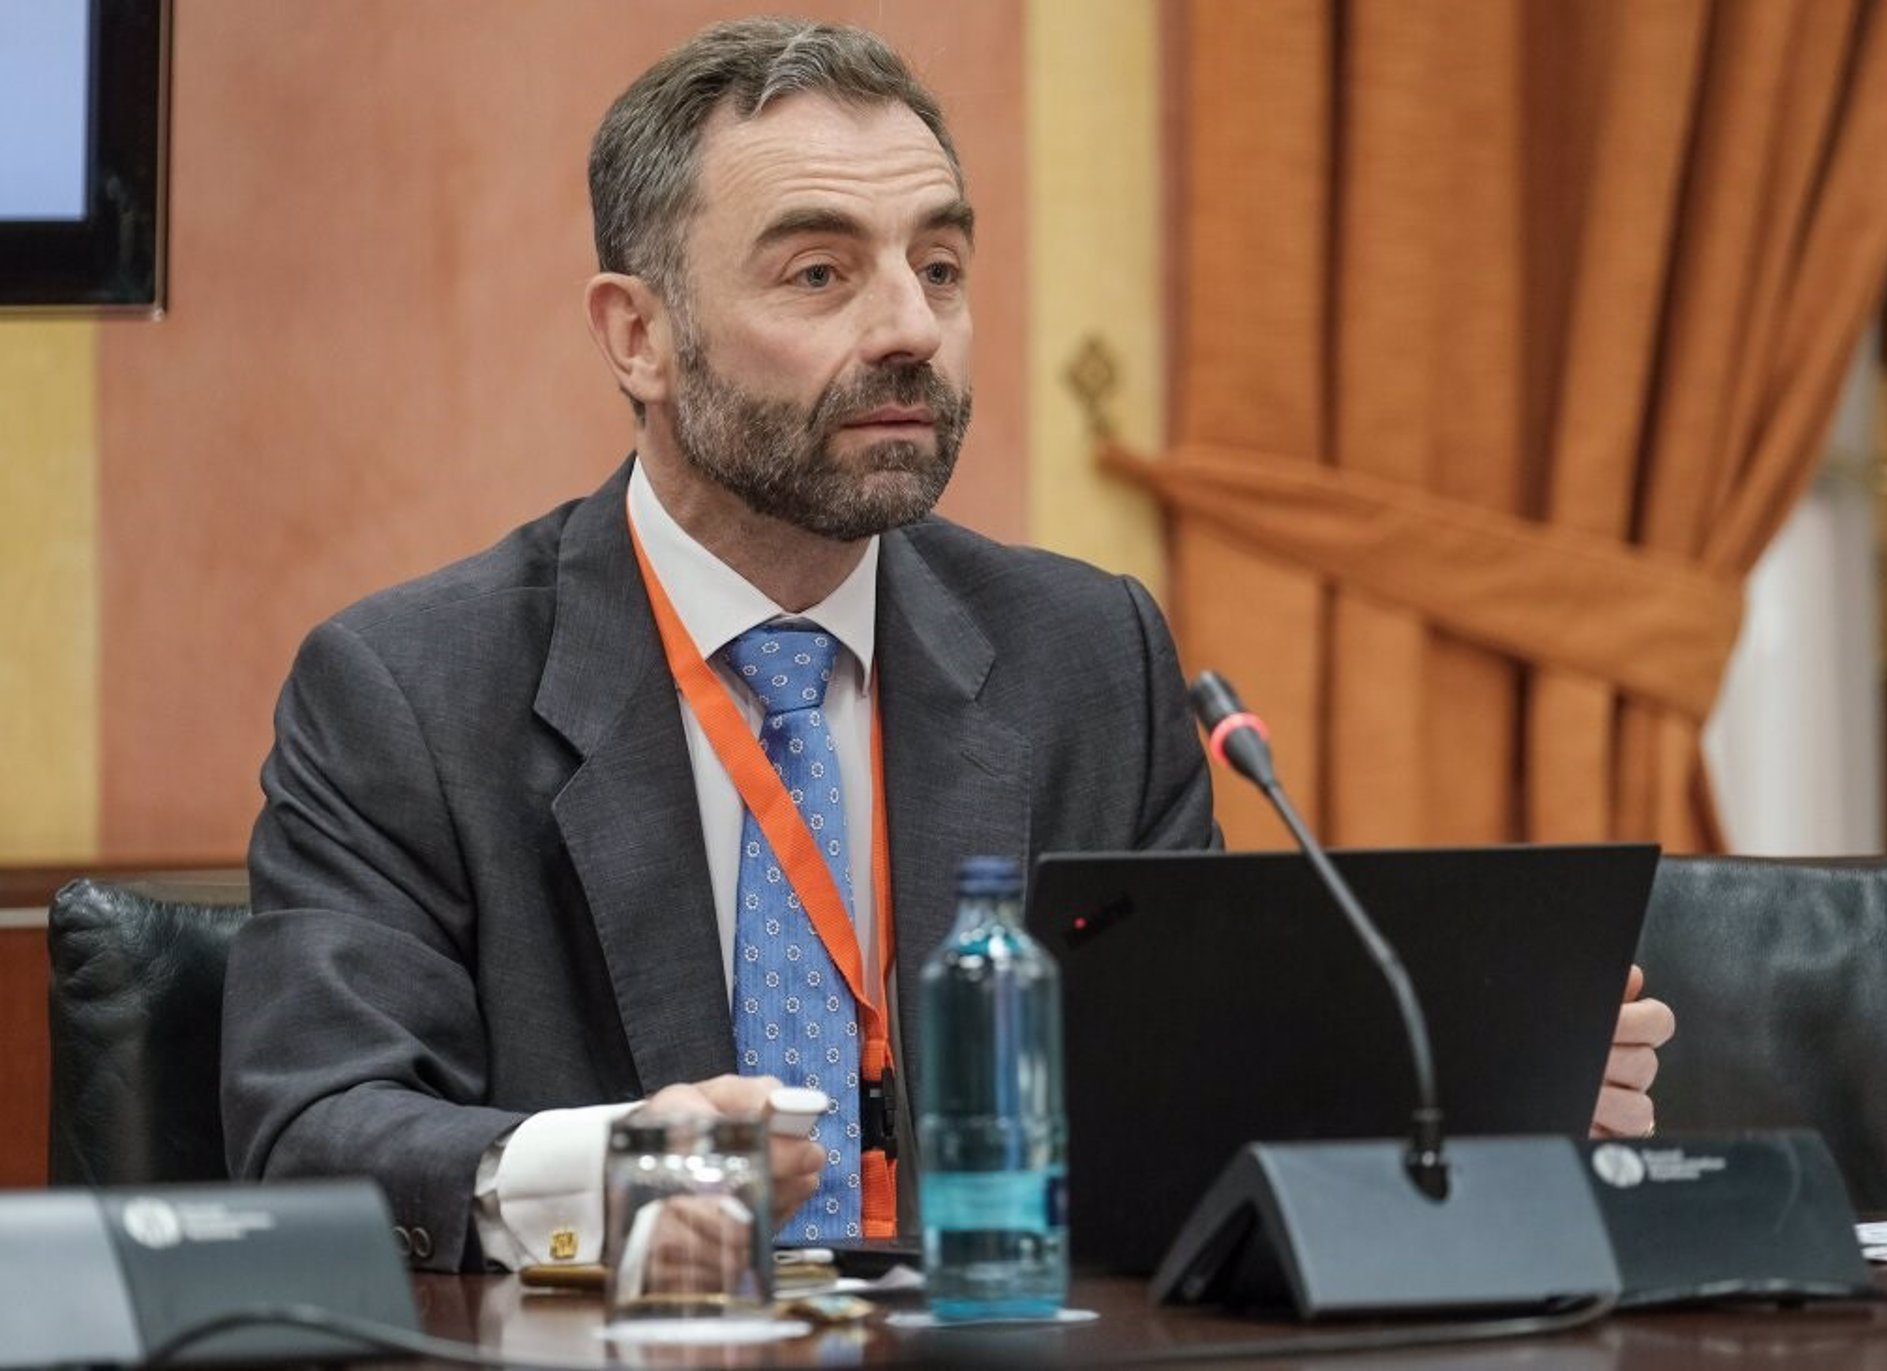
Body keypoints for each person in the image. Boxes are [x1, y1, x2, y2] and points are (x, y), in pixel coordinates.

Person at [221, 17, 1673, 1275]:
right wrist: (607, 1169)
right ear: (637, 338)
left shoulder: (1085, 654)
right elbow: (314, 1128)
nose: (912, 327)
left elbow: (1186, 1114)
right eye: (818, 276)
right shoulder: (409, 690)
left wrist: (1467, 1094)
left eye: (944, 266)